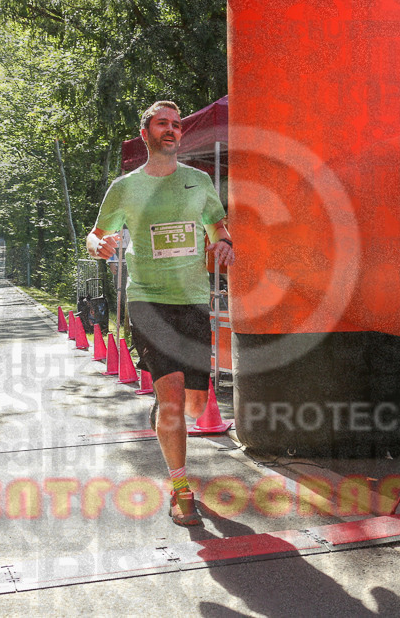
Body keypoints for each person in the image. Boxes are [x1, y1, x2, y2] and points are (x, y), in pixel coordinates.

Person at [87, 100, 235, 526]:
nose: (171, 130)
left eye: (176, 125)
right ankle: (181, 490)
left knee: (193, 402)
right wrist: (101, 246)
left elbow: (217, 226)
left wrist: (223, 243)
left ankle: (165, 411)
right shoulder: (125, 188)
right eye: (162, 124)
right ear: (146, 131)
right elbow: (96, 237)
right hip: (148, 299)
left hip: (192, 300)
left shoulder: (199, 181)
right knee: (171, 400)